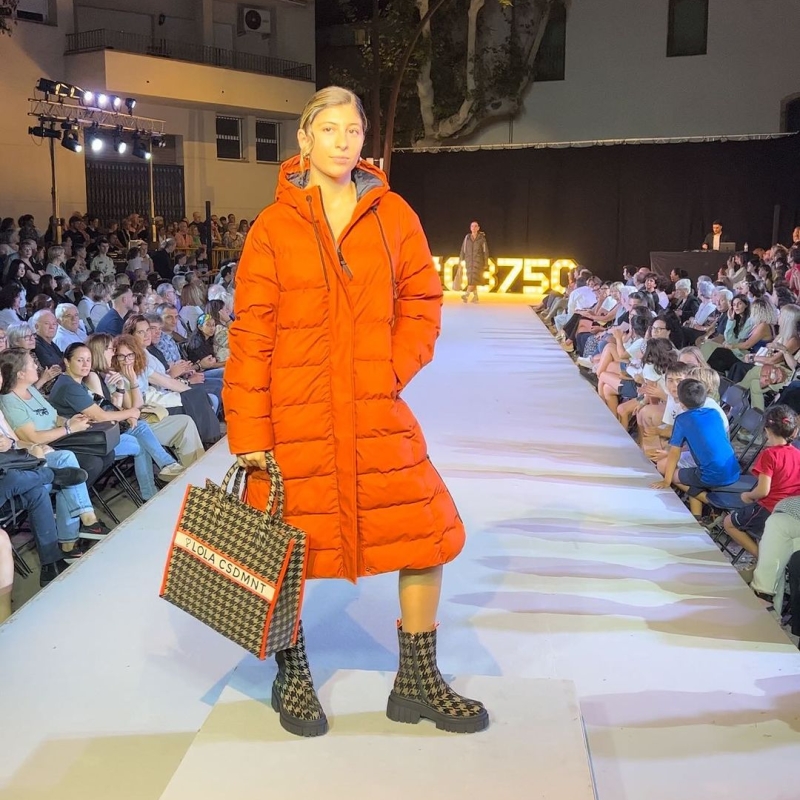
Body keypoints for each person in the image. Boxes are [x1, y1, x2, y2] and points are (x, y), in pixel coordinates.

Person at [223, 86, 488, 738]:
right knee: (283, 549)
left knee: (426, 533)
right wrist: (249, 432)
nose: (344, 141)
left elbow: (423, 300)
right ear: (304, 141)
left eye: (354, 130)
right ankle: (292, 670)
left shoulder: (393, 214)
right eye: (331, 129)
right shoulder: (271, 228)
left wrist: (391, 369)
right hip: (294, 416)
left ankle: (418, 679)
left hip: (373, 407)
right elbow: (251, 333)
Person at [49, 343, 184, 499]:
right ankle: (161, 474)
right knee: (140, 436)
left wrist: (121, 390)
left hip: (94, 435)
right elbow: (100, 415)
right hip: (84, 443)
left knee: (140, 430)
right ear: (67, 361)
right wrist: (131, 412)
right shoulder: (69, 386)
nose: (86, 364)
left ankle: (157, 482)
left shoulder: (75, 383)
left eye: (88, 359)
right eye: (80, 360)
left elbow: (106, 409)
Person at [89, 334, 204, 467]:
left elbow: (167, 382)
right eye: (121, 355)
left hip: (143, 418)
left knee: (187, 417)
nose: (126, 360)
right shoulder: (114, 377)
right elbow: (135, 408)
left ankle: (195, 466)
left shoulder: (137, 369)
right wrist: (132, 382)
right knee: (183, 421)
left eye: (130, 355)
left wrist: (191, 391)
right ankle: (182, 468)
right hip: (136, 424)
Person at [653, 378, 740, 517]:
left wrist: (667, 481)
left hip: (710, 475)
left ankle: (711, 502)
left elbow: (674, 453)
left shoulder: (683, 420)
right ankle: (697, 516)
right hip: (733, 470)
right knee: (690, 473)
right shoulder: (714, 412)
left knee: (674, 474)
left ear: (681, 403)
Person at [720, 406, 800, 557]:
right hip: (790, 511)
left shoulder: (770, 455)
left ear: (767, 430)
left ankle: (761, 558)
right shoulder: (797, 453)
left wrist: (748, 496)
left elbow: (763, 491)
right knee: (762, 533)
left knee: (729, 523)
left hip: (769, 508)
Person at [458, 221, 488, 304]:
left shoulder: (482, 239)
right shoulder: (467, 238)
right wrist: (461, 259)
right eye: (472, 226)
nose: (474, 228)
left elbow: (485, 252)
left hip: (478, 262)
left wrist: (486, 263)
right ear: (470, 228)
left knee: (473, 279)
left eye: (475, 226)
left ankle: (466, 295)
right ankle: (475, 297)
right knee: (471, 278)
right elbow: (462, 250)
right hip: (469, 262)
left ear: (478, 228)